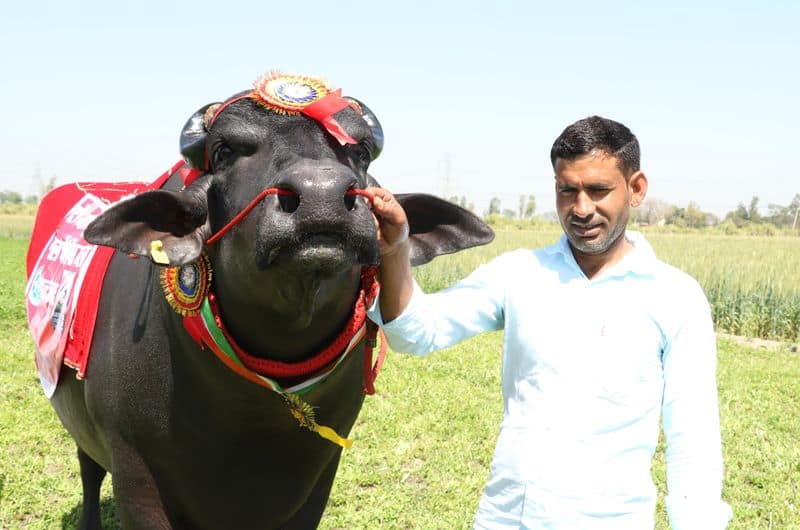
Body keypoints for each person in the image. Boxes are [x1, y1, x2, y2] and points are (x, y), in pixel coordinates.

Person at [366, 116, 732, 529]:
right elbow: (418, 332)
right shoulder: (520, 274)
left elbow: (693, 440)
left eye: (598, 190)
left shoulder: (675, 297)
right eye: (567, 190)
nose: (581, 209)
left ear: (636, 189)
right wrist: (395, 247)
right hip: (507, 519)